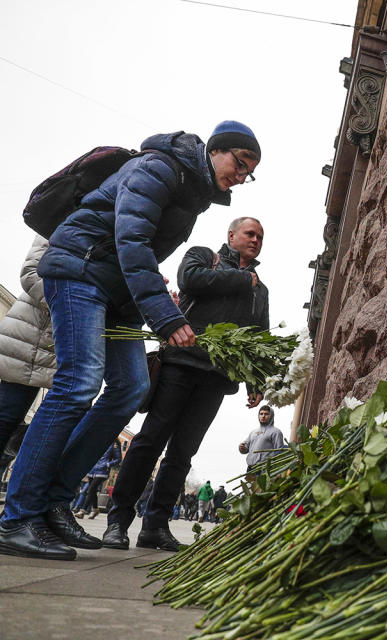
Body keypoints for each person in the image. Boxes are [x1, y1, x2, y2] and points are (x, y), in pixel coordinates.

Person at [0, 121, 260, 561]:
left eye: (249, 171)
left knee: (132, 387)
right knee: (79, 381)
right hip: (79, 269)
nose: (241, 175)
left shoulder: (192, 193)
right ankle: (19, 516)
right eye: (239, 162)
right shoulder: (160, 168)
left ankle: (54, 503)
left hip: (113, 289)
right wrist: (164, 314)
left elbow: (140, 253)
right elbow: (131, 238)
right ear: (216, 150)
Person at [103, 216, 269, 552]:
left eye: (260, 237)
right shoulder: (204, 256)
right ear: (231, 234)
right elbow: (189, 280)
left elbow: (258, 336)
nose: (255, 240)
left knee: (182, 452)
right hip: (180, 364)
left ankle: (156, 525)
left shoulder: (260, 289)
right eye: (250, 234)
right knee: (150, 441)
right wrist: (241, 279)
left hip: (216, 377)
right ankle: (118, 521)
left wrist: (257, 380)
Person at [0, 236, 56, 467]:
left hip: (50, 345)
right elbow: (31, 273)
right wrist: (72, 305)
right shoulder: (63, 216)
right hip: (30, 337)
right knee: (6, 418)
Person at [73, 440, 122, 518]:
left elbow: (118, 459)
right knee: (93, 491)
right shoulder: (99, 440)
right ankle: (95, 509)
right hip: (92, 469)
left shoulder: (114, 443)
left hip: (102, 471)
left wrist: (107, 464)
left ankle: (82, 511)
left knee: (91, 489)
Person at [239, 406, 286, 471]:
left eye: (266, 414)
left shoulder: (276, 432)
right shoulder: (253, 432)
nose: (263, 416)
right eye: (261, 414)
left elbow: (279, 452)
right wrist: (241, 448)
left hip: (265, 468)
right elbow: (245, 448)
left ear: (271, 416)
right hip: (250, 468)